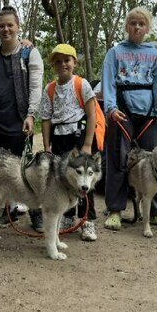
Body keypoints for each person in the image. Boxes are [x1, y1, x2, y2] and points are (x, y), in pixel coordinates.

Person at [101, 6, 157, 231]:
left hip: (148, 115)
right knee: (118, 160)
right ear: (127, 26)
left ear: (147, 28)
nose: (136, 27)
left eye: (141, 24)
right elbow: (108, 81)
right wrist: (111, 108)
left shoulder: (154, 55)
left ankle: (154, 213)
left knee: (153, 161)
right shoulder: (115, 52)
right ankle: (115, 210)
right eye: (133, 23)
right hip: (121, 112)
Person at [0, 6, 44, 230]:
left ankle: (35, 212)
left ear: (17, 26)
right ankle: (3, 212)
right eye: (1, 26)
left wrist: (31, 115)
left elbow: (35, 87)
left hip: (20, 121)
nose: (5, 30)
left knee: (25, 168)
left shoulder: (29, 53)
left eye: (9, 25)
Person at [40, 44, 100, 241]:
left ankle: (87, 220)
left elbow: (92, 115)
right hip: (59, 137)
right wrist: (47, 146)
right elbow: (46, 119)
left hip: (79, 136)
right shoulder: (49, 89)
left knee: (84, 179)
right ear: (53, 65)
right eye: (58, 61)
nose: (63, 64)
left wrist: (88, 144)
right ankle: (66, 215)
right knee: (61, 178)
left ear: (74, 62)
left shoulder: (82, 85)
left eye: (67, 60)